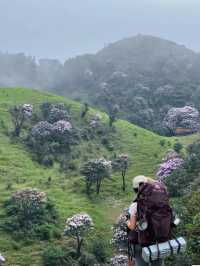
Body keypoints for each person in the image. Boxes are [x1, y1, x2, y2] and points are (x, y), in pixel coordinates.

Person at [127, 175, 166, 266]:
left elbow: (132, 227)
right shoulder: (159, 202)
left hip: (142, 242)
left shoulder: (135, 205)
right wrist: (148, 180)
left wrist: (127, 222)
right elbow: (162, 186)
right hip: (158, 240)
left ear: (135, 189)